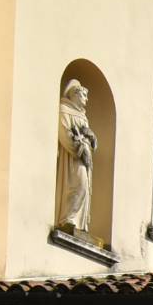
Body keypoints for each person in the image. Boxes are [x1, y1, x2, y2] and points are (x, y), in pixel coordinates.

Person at [57, 79, 97, 235]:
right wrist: (79, 149)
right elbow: (64, 132)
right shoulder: (64, 110)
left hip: (85, 159)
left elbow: (90, 140)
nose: (86, 99)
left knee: (85, 188)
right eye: (84, 95)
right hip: (73, 158)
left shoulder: (83, 116)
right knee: (79, 185)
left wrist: (92, 139)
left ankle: (78, 223)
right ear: (75, 94)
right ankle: (67, 218)